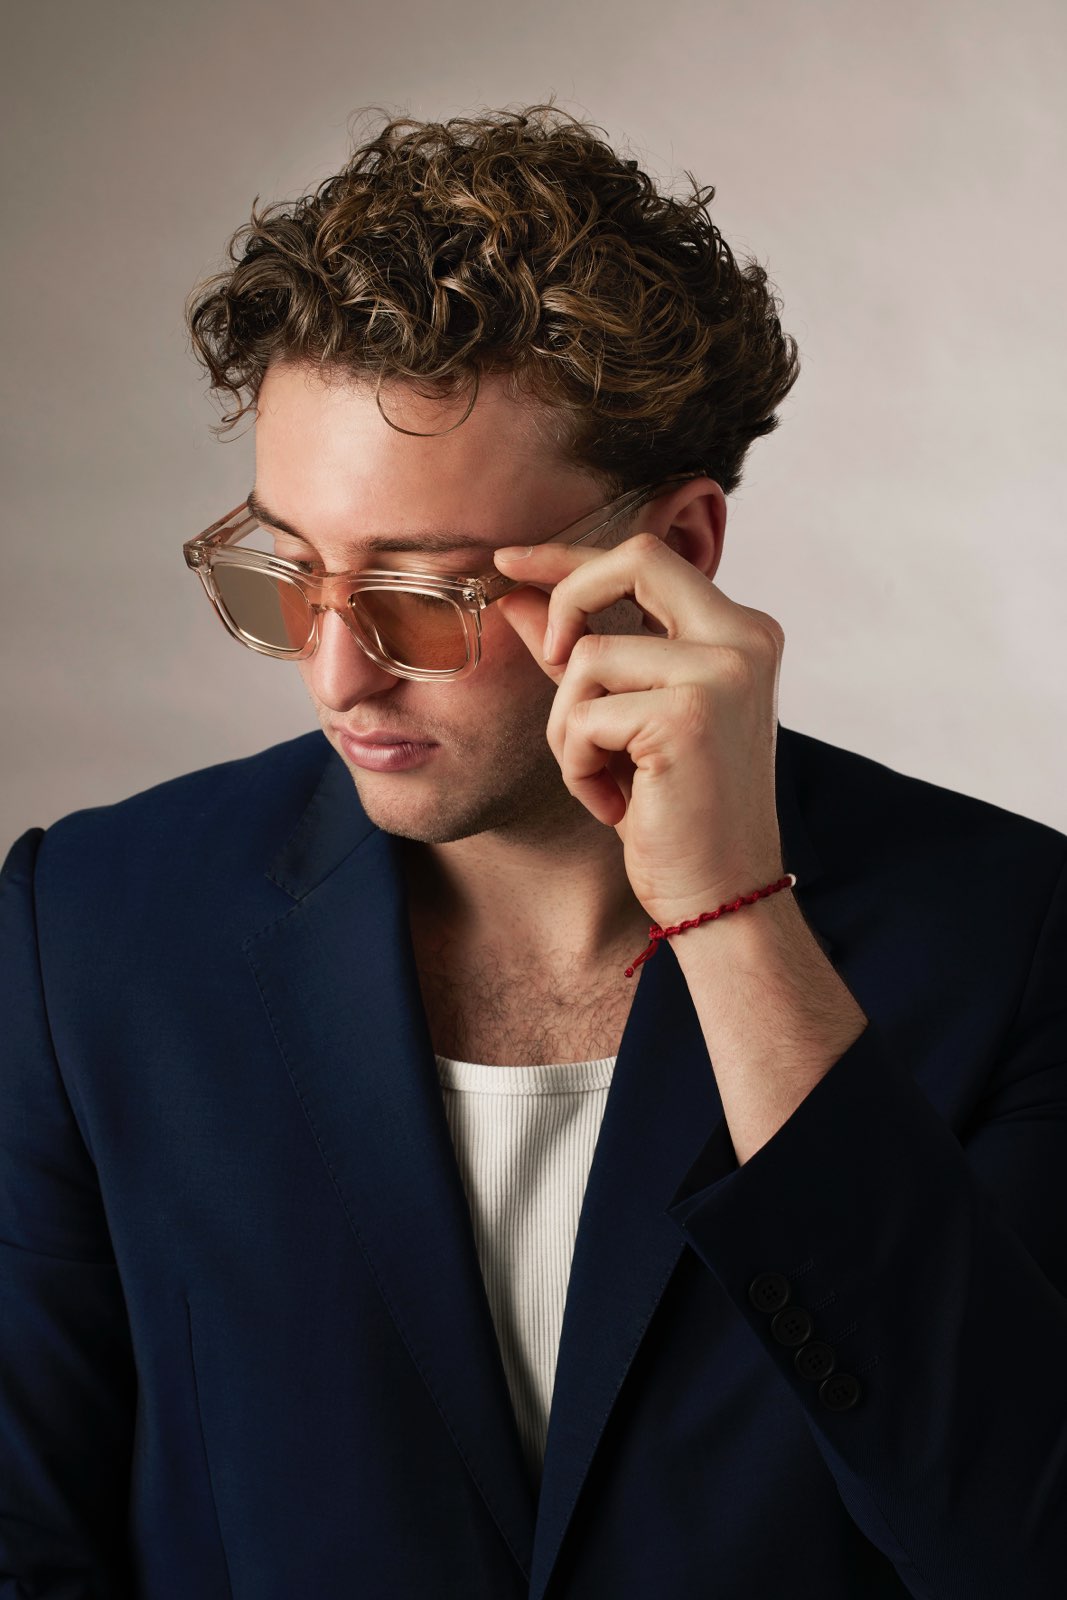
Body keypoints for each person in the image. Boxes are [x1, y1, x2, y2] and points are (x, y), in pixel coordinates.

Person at [2, 103, 1064, 1600]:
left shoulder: (1005, 935)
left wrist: (736, 917)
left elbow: (1017, 1541)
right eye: (288, 575)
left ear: (677, 555)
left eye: (427, 601)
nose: (335, 676)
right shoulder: (89, 931)